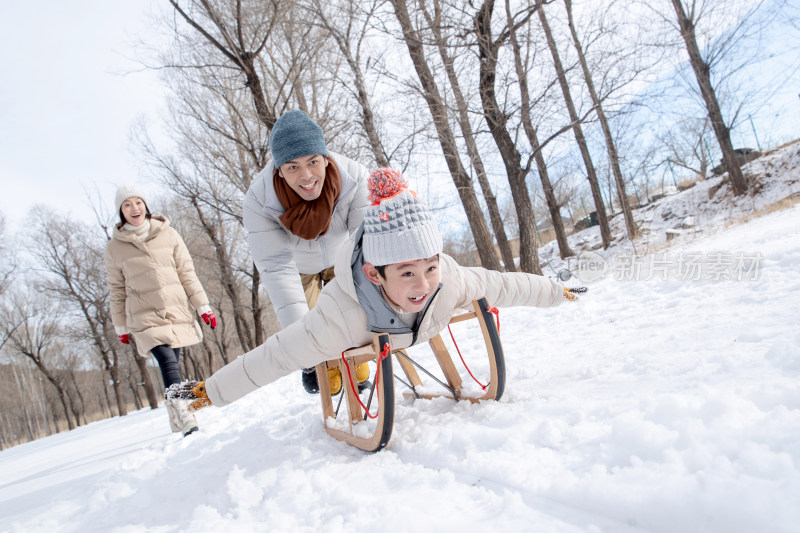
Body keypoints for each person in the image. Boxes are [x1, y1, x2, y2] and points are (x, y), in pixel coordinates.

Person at [188, 168, 579, 410]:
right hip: (366, 324)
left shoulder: (450, 280)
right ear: (375, 275)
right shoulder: (342, 316)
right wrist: (210, 392)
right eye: (407, 274)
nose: (424, 284)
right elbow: (275, 356)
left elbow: (508, 285)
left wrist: (559, 292)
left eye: (430, 266)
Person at [243, 109, 370, 395]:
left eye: (313, 162)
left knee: (349, 310)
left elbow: (367, 243)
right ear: (279, 169)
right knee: (314, 325)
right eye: (292, 167)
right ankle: (323, 371)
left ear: (325, 158)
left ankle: (359, 369)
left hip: (342, 256)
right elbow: (275, 267)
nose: (306, 175)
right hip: (298, 269)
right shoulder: (259, 201)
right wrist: (306, 348)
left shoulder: (355, 178)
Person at [104, 185, 217, 437]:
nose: (134, 208)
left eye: (138, 202)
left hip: (175, 310)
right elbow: (117, 290)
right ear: (120, 212)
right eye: (127, 204)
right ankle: (186, 416)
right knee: (167, 360)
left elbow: (187, 272)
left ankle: (177, 412)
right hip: (143, 316)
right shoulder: (114, 248)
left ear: (145, 205)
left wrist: (203, 306)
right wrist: (120, 326)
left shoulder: (169, 234)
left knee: (172, 365)